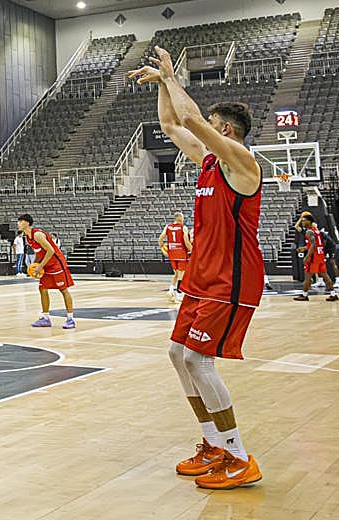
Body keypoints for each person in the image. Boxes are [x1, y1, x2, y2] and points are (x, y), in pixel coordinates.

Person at [130, 46, 264, 490]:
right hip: (202, 277)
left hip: (232, 277)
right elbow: (172, 123)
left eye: (212, 125)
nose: (205, 128)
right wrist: (162, 88)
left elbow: (190, 120)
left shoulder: (244, 164)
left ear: (224, 131)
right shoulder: (209, 163)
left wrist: (171, 76)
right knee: (177, 355)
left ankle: (239, 457)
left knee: (198, 361)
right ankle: (212, 444)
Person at [19, 216, 76, 329]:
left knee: (63, 290)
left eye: (20, 222)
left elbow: (51, 251)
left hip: (56, 264)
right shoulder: (27, 237)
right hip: (46, 265)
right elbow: (39, 253)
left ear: (27, 223)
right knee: (42, 288)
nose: (18, 224)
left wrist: (40, 266)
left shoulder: (37, 235)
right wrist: (33, 266)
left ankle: (70, 319)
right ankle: (45, 318)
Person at [294, 214, 338, 302]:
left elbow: (313, 245)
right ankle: (333, 294)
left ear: (309, 221)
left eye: (304, 220)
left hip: (314, 258)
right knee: (325, 276)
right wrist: (305, 248)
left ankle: (304, 295)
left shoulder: (309, 231)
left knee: (307, 276)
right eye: (302, 220)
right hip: (320, 256)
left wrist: (307, 256)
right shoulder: (317, 231)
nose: (302, 222)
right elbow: (317, 244)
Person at [158, 212, 193, 301]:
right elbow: (186, 241)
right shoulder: (183, 228)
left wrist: (162, 247)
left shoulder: (168, 227)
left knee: (176, 274)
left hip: (172, 253)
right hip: (181, 253)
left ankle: (170, 290)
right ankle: (179, 293)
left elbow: (160, 238)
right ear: (180, 219)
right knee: (181, 274)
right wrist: (192, 250)